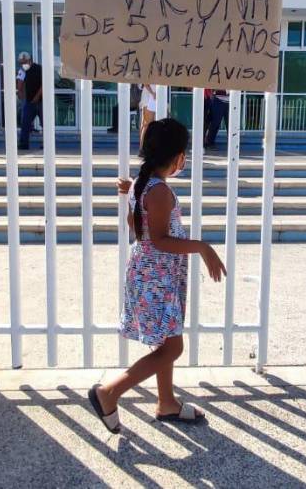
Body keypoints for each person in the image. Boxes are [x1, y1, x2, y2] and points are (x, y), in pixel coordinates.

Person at [87, 118, 226, 433]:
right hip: (157, 278)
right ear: (179, 157)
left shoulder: (142, 184)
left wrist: (135, 197)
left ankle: (166, 402)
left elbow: (136, 227)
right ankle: (109, 392)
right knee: (172, 347)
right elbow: (160, 240)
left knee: (165, 341)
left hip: (151, 274)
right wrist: (202, 247)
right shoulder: (158, 190)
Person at [16, 53, 43, 150]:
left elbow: (44, 84)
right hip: (29, 101)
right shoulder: (22, 71)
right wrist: (20, 93)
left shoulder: (39, 69)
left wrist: (37, 96)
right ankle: (23, 144)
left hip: (41, 101)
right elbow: (19, 85)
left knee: (45, 123)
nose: (23, 64)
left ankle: (47, 143)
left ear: (29, 60)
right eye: (21, 63)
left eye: (24, 62)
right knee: (25, 123)